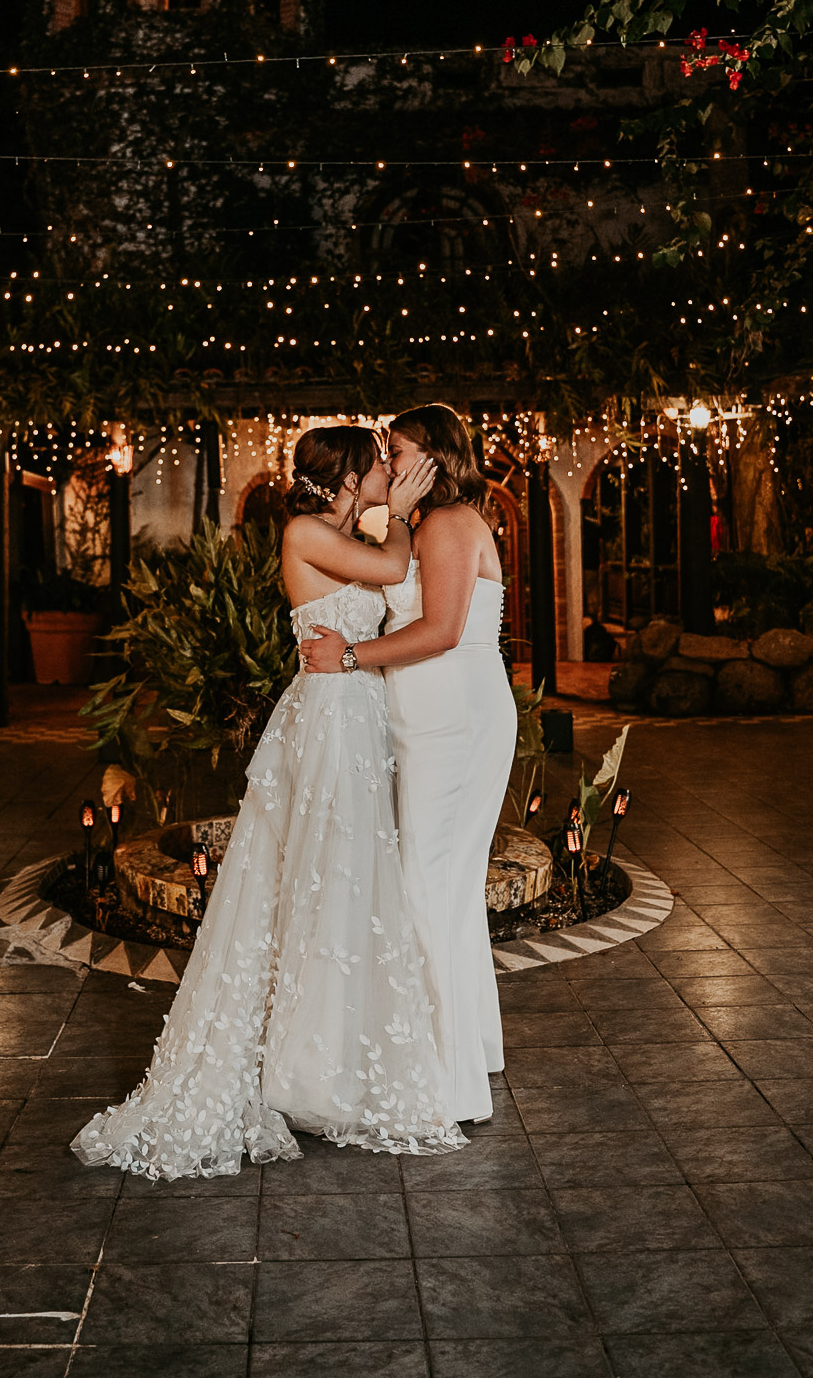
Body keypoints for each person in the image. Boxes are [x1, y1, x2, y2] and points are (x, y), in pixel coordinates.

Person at [71, 424, 466, 1181]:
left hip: (349, 714)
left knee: (338, 884)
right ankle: (308, 1062)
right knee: (326, 880)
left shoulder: (332, 529)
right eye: (380, 463)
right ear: (349, 476)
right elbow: (390, 567)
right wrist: (410, 515)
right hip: (331, 720)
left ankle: (323, 1054)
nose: (391, 470)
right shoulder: (306, 532)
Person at [301, 403, 515, 1123]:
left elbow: (444, 629)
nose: (386, 464)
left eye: (397, 451)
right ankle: (468, 1053)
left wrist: (350, 656)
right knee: (444, 892)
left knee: (429, 891)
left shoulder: (452, 525)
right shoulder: (420, 527)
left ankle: (444, 1085)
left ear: (435, 458)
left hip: (454, 716)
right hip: (428, 718)